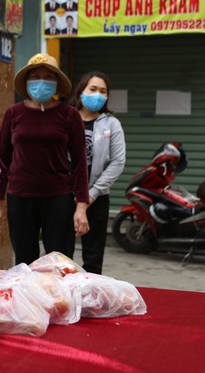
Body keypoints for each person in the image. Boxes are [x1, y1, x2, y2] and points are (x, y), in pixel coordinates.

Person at [0, 52, 89, 265]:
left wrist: (81, 206)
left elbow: (81, 163)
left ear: (56, 82)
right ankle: (29, 299)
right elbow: (2, 161)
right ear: (26, 82)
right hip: (20, 198)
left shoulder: (69, 115)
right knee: (25, 262)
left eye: (48, 76)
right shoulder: (13, 113)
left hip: (59, 197)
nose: (41, 81)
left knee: (60, 262)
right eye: (35, 76)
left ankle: (60, 299)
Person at [70, 71, 126, 274]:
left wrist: (91, 194)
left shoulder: (111, 124)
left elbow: (118, 162)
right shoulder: (67, 118)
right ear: (81, 91)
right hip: (64, 195)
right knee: (61, 256)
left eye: (103, 91)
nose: (98, 95)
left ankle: (91, 301)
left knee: (93, 258)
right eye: (92, 89)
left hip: (97, 198)